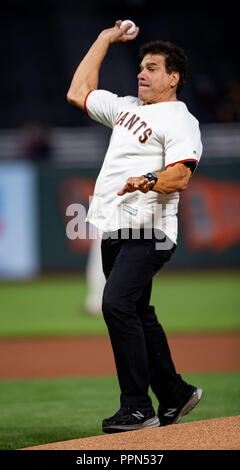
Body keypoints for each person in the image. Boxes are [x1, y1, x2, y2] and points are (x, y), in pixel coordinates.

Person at [67, 20, 203, 433]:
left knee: (116, 305)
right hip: (115, 229)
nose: (142, 73)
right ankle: (176, 394)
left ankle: (136, 407)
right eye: (141, 67)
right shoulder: (127, 108)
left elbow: (181, 175)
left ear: (173, 77)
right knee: (139, 312)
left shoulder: (179, 119)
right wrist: (103, 39)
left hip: (150, 229)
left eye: (152, 68)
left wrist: (147, 180)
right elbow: (79, 91)